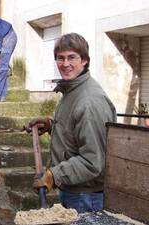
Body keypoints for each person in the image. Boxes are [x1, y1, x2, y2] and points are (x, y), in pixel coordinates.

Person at [26, 33, 117, 213]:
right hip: (75, 191)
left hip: (87, 198)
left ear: (84, 60)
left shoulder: (89, 101)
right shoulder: (73, 89)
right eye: (60, 58)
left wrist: (54, 174)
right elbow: (78, 128)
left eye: (72, 57)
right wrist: (52, 125)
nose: (65, 64)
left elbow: (93, 161)